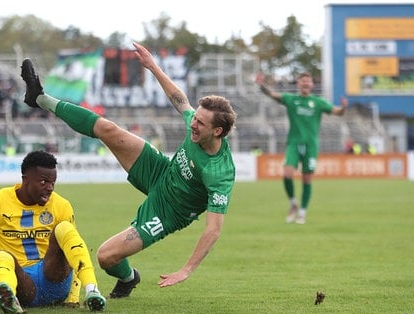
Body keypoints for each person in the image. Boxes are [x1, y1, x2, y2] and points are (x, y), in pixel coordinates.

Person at [20, 41, 237, 298]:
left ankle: (129, 277)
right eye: (195, 118)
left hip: (168, 212)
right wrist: (153, 66)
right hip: (160, 172)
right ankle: (40, 98)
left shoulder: (220, 171)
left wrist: (186, 270)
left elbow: (213, 229)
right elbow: (181, 100)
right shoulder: (197, 124)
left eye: (200, 123)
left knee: (105, 256)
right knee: (108, 129)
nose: (193, 124)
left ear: (217, 131)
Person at [0, 150, 106, 314]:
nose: (49, 188)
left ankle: (92, 290)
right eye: (43, 182)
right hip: (23, 285)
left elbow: (74, 249)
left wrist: (73, 298)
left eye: (53, 182)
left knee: (65, 228)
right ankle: (9, 297)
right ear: (25, 180)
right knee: (3, 256)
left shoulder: (61, 205)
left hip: (53, 279)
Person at [255, 72, 347, 224]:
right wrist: (260, 85)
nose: (305, 83)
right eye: (303, 81)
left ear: (312, 85)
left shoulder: (318, 102)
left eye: (308, 81)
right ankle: (293, 203)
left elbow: (338, 112)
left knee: (307, 178)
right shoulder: (291, 100)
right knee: (287, 173)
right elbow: (272, 94)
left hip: (311, 145)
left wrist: (343, 108)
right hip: (294, 143)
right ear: (298, 84)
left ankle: (303, 212)